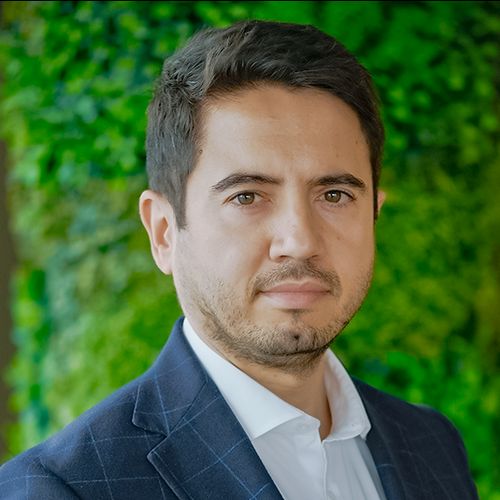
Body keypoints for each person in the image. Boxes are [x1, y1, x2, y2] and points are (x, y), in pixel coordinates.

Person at [0, 20, 478, 500]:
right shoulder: (57, 489)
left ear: (374, 214)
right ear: (163, 232)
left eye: (334, 194)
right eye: (247, 196)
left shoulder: (432, 444)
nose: (299, 241)